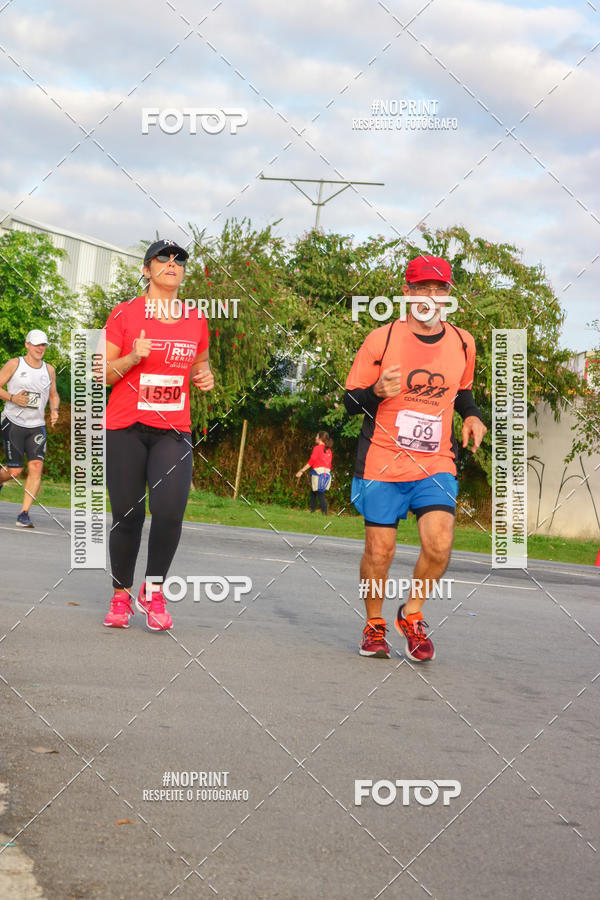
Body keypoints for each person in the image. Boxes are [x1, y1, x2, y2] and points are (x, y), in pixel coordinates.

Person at [344, 255, 487, 661]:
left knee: (439, 543)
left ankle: (412, 613)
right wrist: (376, 393)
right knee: (379, 551)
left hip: (435, 461)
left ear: (448, 295)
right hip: (382, 460)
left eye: (439, 289)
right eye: (422, 288)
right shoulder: (382, 339)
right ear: (406, 293)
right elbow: (350, 402)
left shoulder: (463, 341)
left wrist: (473, 415)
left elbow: (462, 391)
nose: (431, 296)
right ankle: (374, 624)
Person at [102, 238, 214, 631]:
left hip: (172, 430)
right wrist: (133, 356)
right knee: (128, 515)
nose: (171, 263)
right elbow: (100, 374)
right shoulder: (125, 314)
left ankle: (153, 591)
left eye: (179, 259)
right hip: (125, 428)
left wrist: (205, 376)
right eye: (162, 258)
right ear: (147, 269)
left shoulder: (196, 318)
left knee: (168, 513)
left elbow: (200, 364)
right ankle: (120, 596)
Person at [0, 329, 60, 527]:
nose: (40, 348)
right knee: (14, 471)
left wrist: (54, 410)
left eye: (43, 344)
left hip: (36, 426)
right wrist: (13, 397)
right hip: (13, 422)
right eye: (36, 344)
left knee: (36, 467)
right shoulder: (15, 364)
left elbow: (53, 394)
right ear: (27, 345)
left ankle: (23, 513)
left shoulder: (49, 369)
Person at [296, 431, 333, 514]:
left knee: (320, 493)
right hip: (326, 474)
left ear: (320, 438)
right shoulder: (329, 450)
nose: (315, 438)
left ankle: (324, 513)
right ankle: (312, 511)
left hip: (318, 473)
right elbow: (329, 464)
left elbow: (311, 461)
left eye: (316, 436)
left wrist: (301, 471)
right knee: (313, 492)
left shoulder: (317, 448)